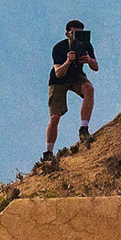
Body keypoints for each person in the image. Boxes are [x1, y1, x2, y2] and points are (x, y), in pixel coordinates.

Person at [43, 21, 98, 163]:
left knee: (89, 89)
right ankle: (48, 152)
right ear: (67, 34)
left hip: (76, 76)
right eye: (74, 33)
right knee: (55, 116)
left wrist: (89, 60)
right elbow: (58, 73)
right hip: (58, 81)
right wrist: (68, 61)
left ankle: (84, 128)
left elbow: (96, 67)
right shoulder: (59, 48)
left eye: (80, 33)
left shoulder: (86, 45)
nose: (77, 36)